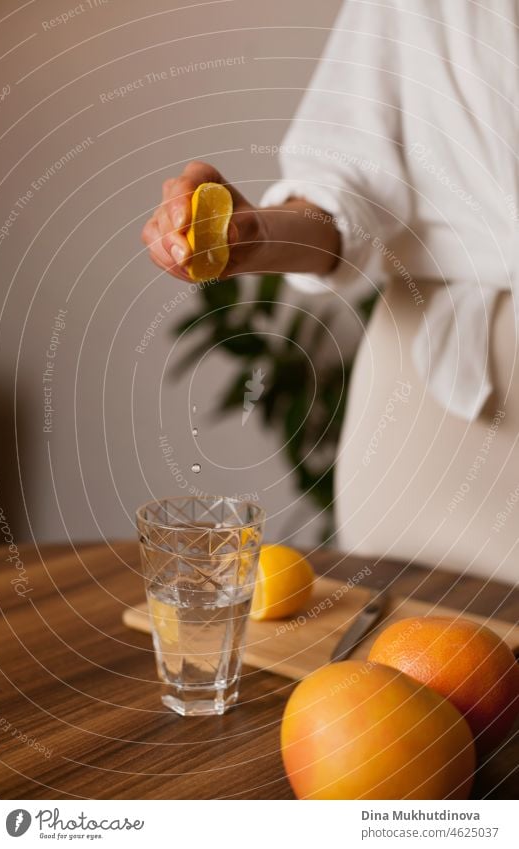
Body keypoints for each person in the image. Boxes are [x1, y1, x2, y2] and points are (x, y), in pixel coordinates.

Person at [142, 0, 519, 584]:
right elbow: (348, 198)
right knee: (392, 645)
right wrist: (254, 234)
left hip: (451, 368)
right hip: (449, 395)